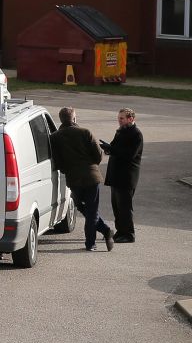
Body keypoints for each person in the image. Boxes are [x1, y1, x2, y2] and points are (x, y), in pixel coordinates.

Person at [50, 107, 113, 252]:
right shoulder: (85, 132)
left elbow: (57, 161)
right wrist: (91, 166)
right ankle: (104, 231)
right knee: (90, 210)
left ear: (61, 119)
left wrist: (67, 170)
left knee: (85, 208)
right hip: (92, 177)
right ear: (74, 118)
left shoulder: (54, 137)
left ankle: (91, 242)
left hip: (74, 179)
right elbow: (98, 155)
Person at [101, 107, 143, 243]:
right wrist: (108, 148)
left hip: (126, 177)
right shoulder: (121, 131)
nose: (119, 121)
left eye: (122, 118)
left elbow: (130, 155)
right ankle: (120, 232)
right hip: (116, 175)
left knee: (125, 207)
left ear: (131, 119)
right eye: (118, 118)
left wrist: (112, 149)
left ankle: (129, 234)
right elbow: (115, 147)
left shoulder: (136, 134)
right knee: (116, 206)